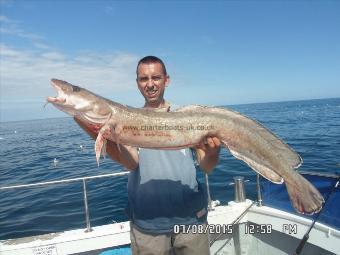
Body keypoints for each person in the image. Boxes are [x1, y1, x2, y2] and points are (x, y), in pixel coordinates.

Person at [75, 56, 221, 255]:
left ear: (166, 80)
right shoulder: (126, 120)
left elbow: (207, 166)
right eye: (144, 79)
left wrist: (213, 151)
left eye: (156, 78)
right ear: (137, 83)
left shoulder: (186, 116)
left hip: (191, 220)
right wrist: (97, 132)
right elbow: (131, 162)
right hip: (147, 224)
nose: (150, 84)